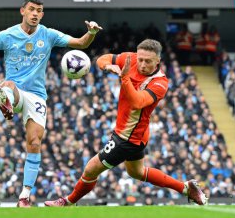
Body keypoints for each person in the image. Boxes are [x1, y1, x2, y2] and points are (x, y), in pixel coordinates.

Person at [0, 0, 103, 207]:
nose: (35, 14)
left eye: (39, 11)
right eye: (32, 9)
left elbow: (81, 44)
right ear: (22, 11)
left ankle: (24, 196)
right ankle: (5, 101)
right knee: (8, 85)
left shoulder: (48, 34)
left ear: (42, 14)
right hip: (15, 90)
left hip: (36, 96)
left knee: (34, 143)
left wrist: (91, 32)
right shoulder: (6, 35)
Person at [45, 39, 208, 207]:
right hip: (136, 133)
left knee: (91, 169)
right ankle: (186, 188)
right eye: (141, 59)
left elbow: (137, 102)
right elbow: (103, 59)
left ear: (158, 61)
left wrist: (124, 78)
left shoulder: (160, 83)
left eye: (148, 61)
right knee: (137, 172)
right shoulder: (130, 59)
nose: (142, 64)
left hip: (127, 137)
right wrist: (109, 66)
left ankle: (68, 201)